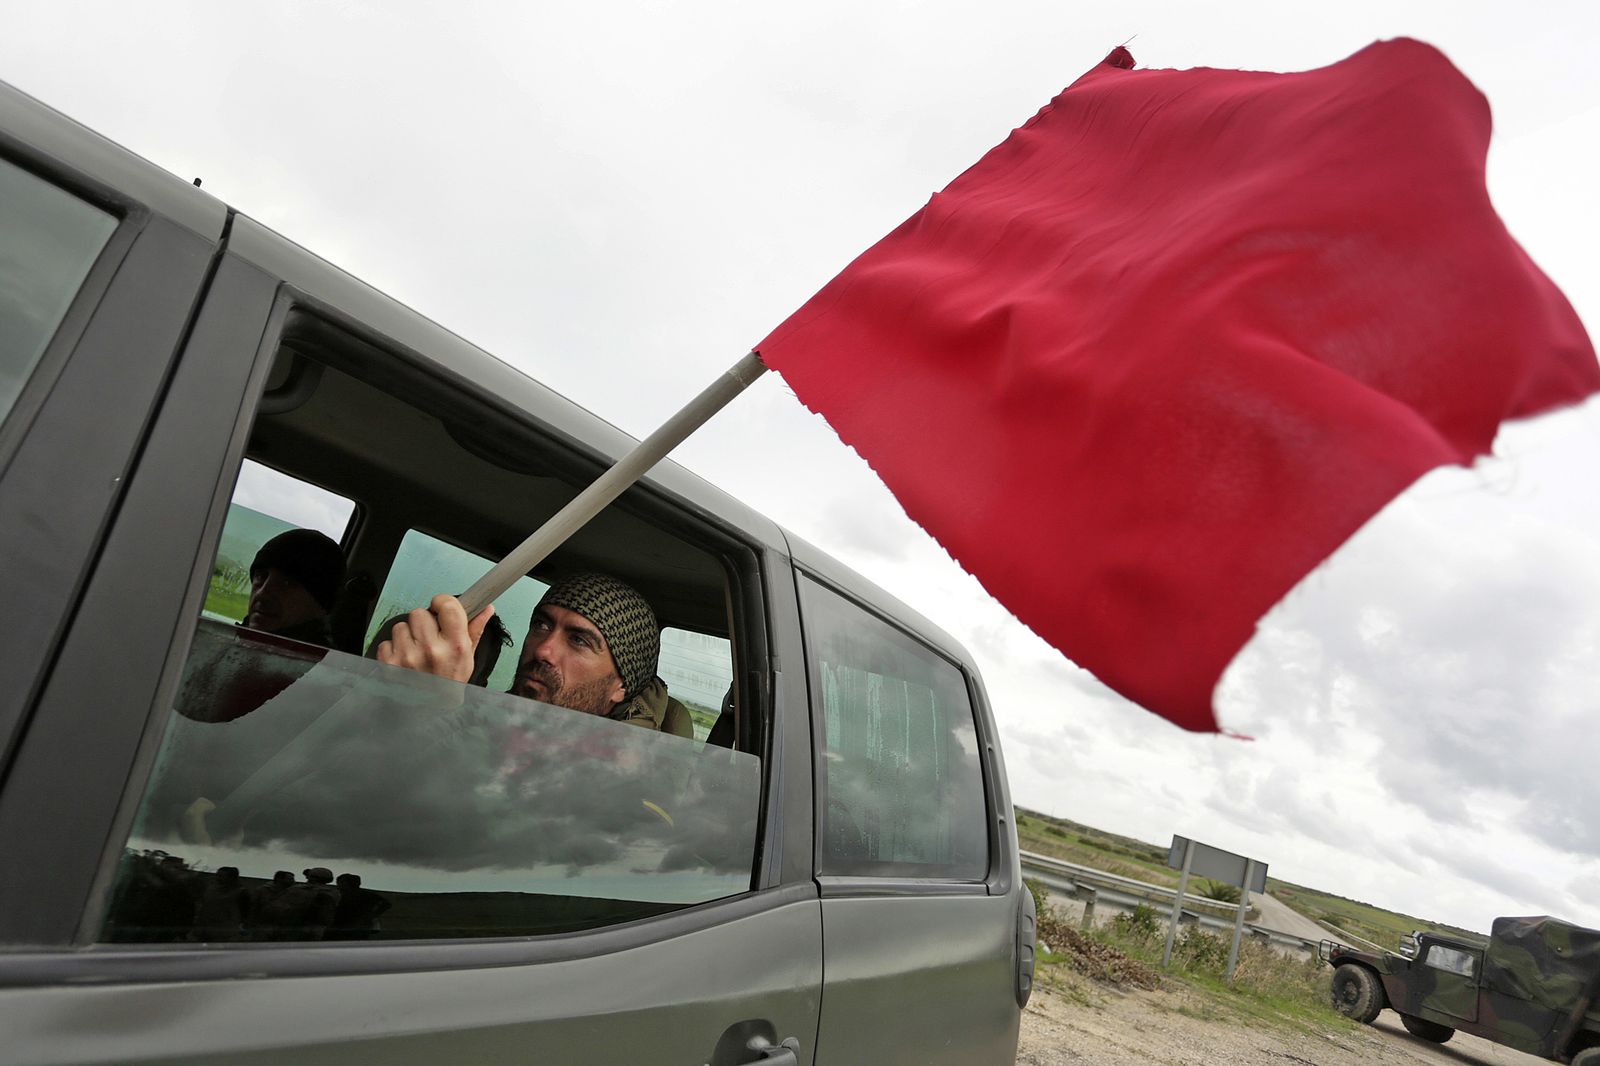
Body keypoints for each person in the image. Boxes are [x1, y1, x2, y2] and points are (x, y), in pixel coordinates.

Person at [376, 572, 691, 734]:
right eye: (541, 625)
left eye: (579, 640)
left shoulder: (618, 787)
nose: (543, 650)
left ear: (620, 685)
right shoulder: (481, 721)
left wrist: (424, 710)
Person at [241, 529, 345, 646]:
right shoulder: (239, 643)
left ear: (320, 604)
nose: (262, 593)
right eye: (260, 576)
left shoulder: (320, 663)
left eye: (286, 583)